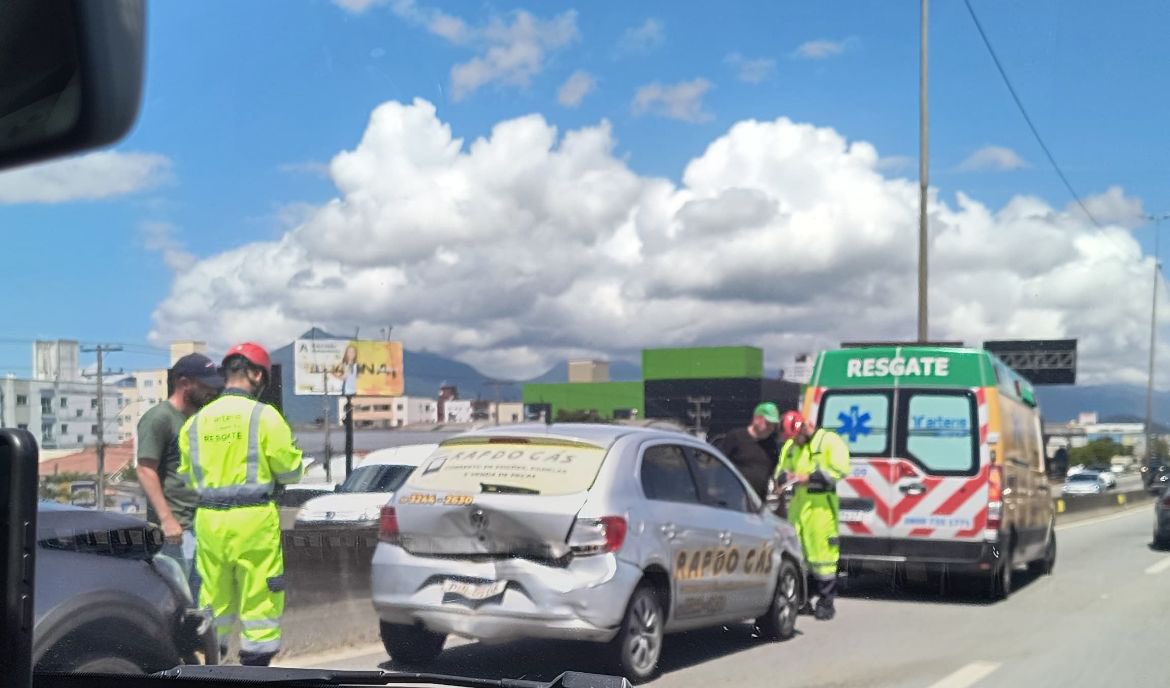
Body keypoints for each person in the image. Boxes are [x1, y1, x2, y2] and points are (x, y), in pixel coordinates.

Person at [178, 342, 304, 666]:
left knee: (213, 597)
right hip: (253, 519)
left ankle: (212, 666)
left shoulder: (195, 423)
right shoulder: (265, 417)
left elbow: (189, 478)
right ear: (257, 375)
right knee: (260, 595)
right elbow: (289, 469)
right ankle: (255, 670)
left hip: (207, 519)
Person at [136, 353, 224, 594]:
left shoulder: (198, 419)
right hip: (175, 532)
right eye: (205, 385)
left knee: (200, 601)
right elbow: (145, 469)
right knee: (176, 599)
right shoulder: (160, 418)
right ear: (184, 383)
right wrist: (167, 519)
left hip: (201, 525)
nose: (212, 391)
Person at [773, 410, 851, 621]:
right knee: (798, 554)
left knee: (823, 556)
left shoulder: (829, 441)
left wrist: (810, 477)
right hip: (799, 505)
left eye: (797, 438)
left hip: (821, 506)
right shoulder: (791, 445)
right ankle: (802, 600)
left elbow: (840, 469)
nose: (795, 442)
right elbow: (781, 468)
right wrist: (784, 477)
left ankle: (826, 602)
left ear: (805, 428)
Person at [714, 402, 781, 502]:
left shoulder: (771, 445)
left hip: (757, 504)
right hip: (733, 500)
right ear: (756, 419)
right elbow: (718, 463)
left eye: (773, 425)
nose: (771, 428)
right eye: (768, 423)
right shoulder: (736, 437)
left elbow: (773, 472)